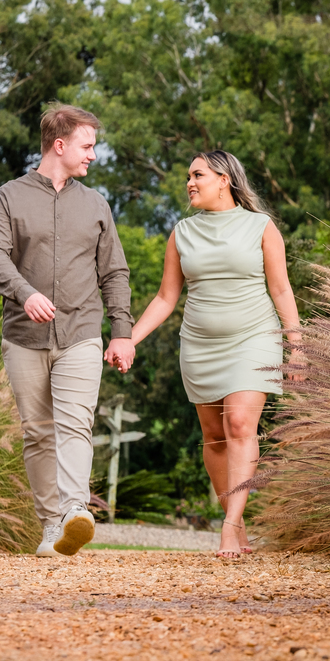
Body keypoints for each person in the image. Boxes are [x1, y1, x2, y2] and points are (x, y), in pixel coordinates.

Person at [127, 150, 300, 558]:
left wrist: (298, 346)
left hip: (254, 337)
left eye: (197, 174)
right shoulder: (181, 233)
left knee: (240, 423)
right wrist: (128, 339)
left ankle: (228, 528)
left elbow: (281, 290)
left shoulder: (261, 226)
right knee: (214, 436)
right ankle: (236, 523)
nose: (189, 182)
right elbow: (166, 297)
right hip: (200, 345)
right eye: (188, 175)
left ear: (224, 179)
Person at [0, 104, 135, 558]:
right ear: (60, 144)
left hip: (82, 332)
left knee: (75, 424)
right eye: (87, 146)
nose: (93, 155)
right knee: (38, 432)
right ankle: (51, 527)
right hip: (23, 337)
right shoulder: (8, 197)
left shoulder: (95, 204)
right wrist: (24, 293)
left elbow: (115, 272)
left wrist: (122, 331)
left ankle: (74, 511)